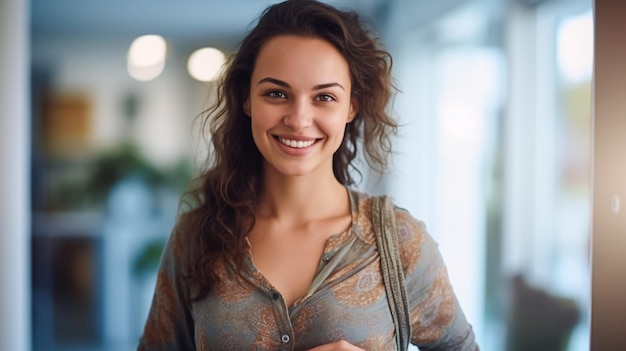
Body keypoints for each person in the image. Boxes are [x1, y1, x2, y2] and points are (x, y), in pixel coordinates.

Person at [138, 0, 478, 350]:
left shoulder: (401, 242)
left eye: (325, 97)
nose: (299, 119)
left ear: (351, 107)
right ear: (247, 100)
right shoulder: (196, 237)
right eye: (276, 93)